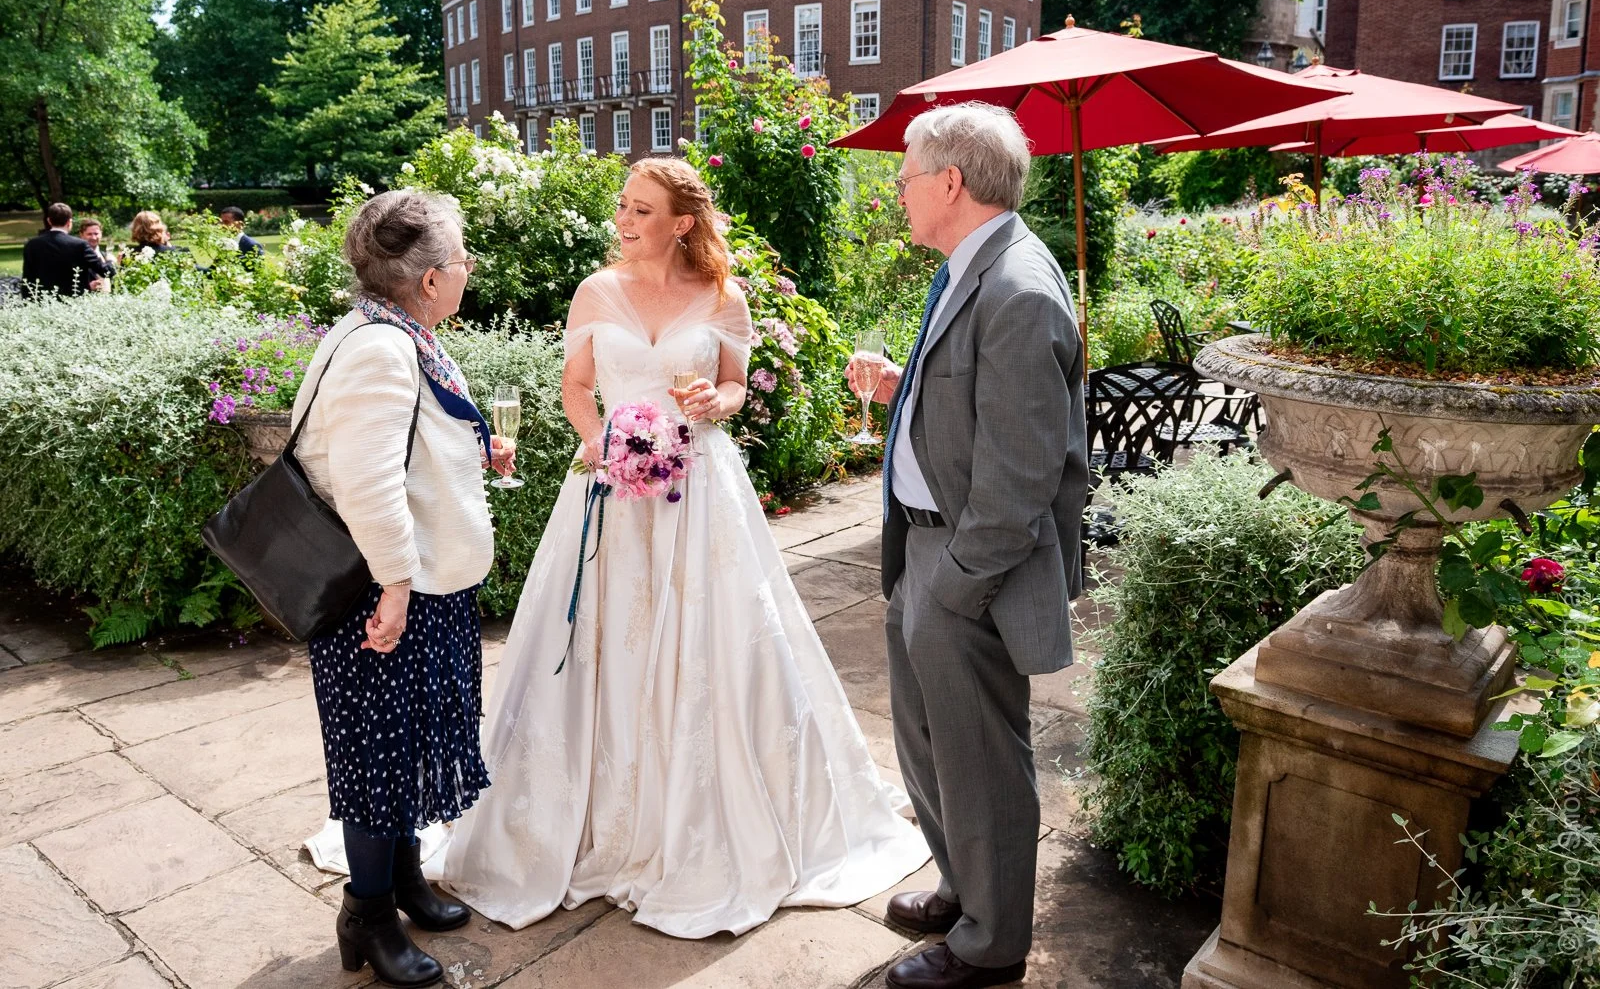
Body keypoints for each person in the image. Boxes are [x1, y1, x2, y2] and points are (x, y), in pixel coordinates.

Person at [436, 157, 930, 936]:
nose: (625, 220)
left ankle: (703, 821)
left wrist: (713, 401)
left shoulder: (723, 295)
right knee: (604, 642)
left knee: (713, 638)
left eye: (642, 209)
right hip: (609, 490)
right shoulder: (595, 291)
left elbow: (733, 387)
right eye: (623, 207)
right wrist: (602, 442)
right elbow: (576, 387)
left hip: (698, 488)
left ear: (682, 223)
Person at [844, 103, 1088, 989]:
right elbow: (981, 404)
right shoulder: (970, 267)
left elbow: (1021, 475)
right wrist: (904, 387)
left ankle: (991, 946)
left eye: (906, 177)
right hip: (925, 551)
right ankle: (964, 887)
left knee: (980, 760)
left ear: (950, 182)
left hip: (968, 566)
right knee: (929, 742)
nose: (898, 191)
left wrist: (956, 583)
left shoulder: (1018, 287)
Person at [290, 189, 515, 988]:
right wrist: (392, 586)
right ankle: (368, 914)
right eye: (462, 258)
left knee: (409, 746)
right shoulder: (381, 350)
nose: (469, 268)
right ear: (428, 280)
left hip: (423, 587)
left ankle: (405, 877)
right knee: (376, 762)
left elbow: (404, 446)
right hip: (385, 595)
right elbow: (366, 481)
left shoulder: (396, 332)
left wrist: (471, 450)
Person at [21, 203, 111, 295]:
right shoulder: (80, 245)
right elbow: (106, 272)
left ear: (49, 221)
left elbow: (27, 278)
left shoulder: (31, 245)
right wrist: (110, 261)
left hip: (41, 299)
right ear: (69, 222)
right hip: (71, 300)